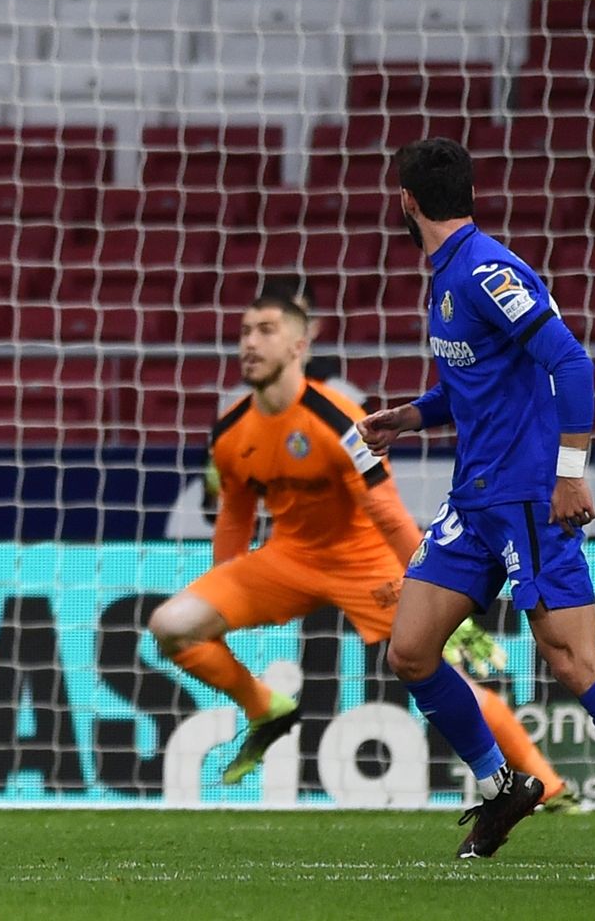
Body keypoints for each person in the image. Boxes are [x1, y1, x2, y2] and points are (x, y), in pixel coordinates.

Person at [361, 137, 595, 860]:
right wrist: (412, 417)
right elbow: (472, 384)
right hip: (474, 500)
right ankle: (500, 786)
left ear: (406, 201)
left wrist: (570, 472)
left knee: (573, 660)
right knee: (411, 650)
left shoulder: (487, 270)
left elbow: (570, 359)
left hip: (527, 497)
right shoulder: (447, 273)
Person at [151, 293, 568, 805]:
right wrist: (223, 587)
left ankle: (547, 785)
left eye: (264, 330)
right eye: (243, 332)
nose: (249, 343)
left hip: (364, 561)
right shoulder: (231, 431)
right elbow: (235, 514)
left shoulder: (336, 420)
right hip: (287, 559)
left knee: (444, 674)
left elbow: (389, 514)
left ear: (299, 345)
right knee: (171, 626)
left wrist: (441, 596)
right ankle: (266, 709)